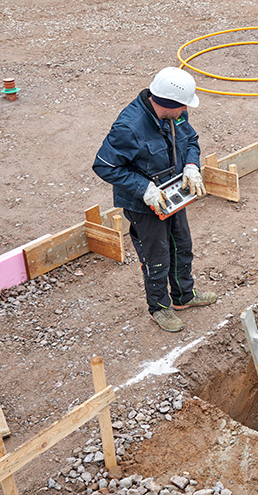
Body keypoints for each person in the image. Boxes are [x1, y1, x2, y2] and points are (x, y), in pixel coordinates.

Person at [93, 67, 216, 332]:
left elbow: (190, 140)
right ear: (168, 102)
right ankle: (159, 308)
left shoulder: (176, 116)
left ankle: (184, 296)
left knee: (182, 245)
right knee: (156, 258)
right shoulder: (129, 127)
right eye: (182, 105)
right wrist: (144, 188)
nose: (186, 110)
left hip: (171, 195)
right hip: (144, 204)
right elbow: (104, 166)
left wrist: (191, 165)